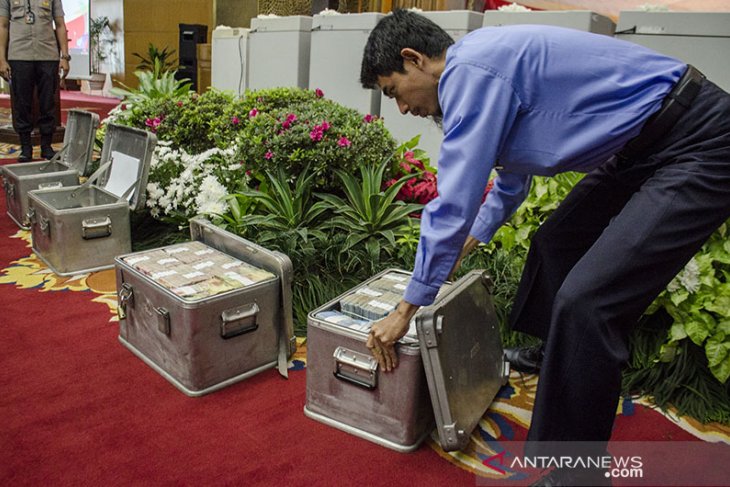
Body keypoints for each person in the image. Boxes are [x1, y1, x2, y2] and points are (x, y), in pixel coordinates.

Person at [360, 9, 730, 486]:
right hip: (643, 144)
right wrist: (479, 231)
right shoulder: (480, 67)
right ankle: (556, 351)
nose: (402, 108)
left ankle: (578, 472)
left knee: (588, 303)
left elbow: (453, 201)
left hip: (702, 141)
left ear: (414, 59)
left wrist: (407, 307)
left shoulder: (470, 73)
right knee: (557, 240)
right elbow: (511, 176)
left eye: (393, 92)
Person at [0, 0, 70, 162]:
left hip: (48, 55)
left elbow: (60, 24)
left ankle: (47, 145)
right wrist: (1, 59)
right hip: (19, 55)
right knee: (21, 103)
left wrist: (65, 57)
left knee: (47, 103)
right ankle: (26, 147)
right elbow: (2, 25)